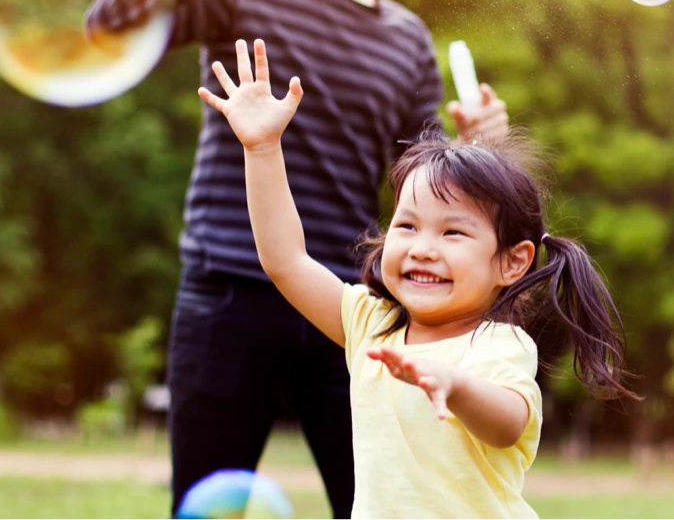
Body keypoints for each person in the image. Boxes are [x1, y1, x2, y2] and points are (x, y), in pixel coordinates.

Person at [84, 0, 509, 518]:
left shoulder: (406, 38)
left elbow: (422, 184)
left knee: (379, 505)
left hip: (347, 309)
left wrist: (474, 150)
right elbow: (107, 23)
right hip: (226, 293)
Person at [197, 38, 639, 519]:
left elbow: (509, 423)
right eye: (407, 225)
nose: (422, 247)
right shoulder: (372, 323)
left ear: (512, 263)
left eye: (453, 232)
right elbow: (286, 262)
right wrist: (262, 149)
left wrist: (458, 384)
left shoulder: (497, 344)